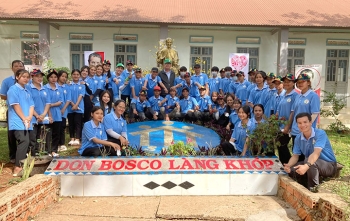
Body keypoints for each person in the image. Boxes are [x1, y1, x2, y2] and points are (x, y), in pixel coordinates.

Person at [283, 112, 337, 190]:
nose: (302, 125)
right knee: (292, 170)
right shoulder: (298, 138)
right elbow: (295, 156)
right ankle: (302, 186)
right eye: (299, 123)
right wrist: (288, 166)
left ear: (310, 122)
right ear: (297, 124)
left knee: (310, 163)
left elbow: (316, 153)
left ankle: (313, 188)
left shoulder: (320, 134)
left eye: (305, 122)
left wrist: (306, 166)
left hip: (329, 165)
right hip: (310, 162)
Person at [7, 69, 34, 176]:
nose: (26, 79)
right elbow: (15, 105)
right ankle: (17, 167)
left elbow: (32, 105)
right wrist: (24, 118)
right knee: (23, 141)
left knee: (27, 142)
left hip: (27, 120)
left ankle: (23, 164)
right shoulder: (13, 89)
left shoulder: (27, 90)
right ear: (17, 77)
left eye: (28, 77)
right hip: (18, 121)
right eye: (23, 77)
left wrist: (29, 117)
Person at [290, 73, 320, 162]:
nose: (300, 84)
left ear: (308, 82)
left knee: (306, 154)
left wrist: (306, 127)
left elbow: (314, 114)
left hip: (306, 131)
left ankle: (306, 173)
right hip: (296, 130)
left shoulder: (313, 96)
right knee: (296, 152)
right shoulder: (298, 96)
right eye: (298, 82)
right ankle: (297, 173)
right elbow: (294, 112)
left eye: (302, 82)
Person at [0, 60, 24, 163]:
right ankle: (13, 156)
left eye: (20, 66)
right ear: (12, 68)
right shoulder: (7, 81)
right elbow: (2, 95)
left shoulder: (28, 81)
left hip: (25, 111)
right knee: (12, 134)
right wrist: (13, 97)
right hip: (12, 111)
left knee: (25, 133)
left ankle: (25, 153)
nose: (18, 67)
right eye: (16, 66)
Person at [276, 74, 298, 165]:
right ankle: (284, 164)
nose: (286, 83)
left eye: (289, 81)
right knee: (280, 145)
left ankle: (288, 165)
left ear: (293, 83)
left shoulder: (295, 95)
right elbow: (278, 109)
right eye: (285, 81)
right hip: (280, 125)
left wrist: (287, 126)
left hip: (289, 126)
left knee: (283, 145)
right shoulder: (284, 94)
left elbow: (293, 112)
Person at [28, 69, 51, 156]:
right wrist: (37, 115)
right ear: (32, 77)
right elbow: (28, 103)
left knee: (42, 137)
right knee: (32, 138)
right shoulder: (28, 88)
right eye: (37, 76)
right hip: (33, 118)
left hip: (43, 118)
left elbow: (48, 103)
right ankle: (32, 156)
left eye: (41, 76)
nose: (39, 78)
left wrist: (44, 114)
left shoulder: (45, 89)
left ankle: (41, 154)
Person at [45, 69, 63, 157]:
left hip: (57, 113)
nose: (53, 79)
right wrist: (49, 114)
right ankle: (48, 151)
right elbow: (45, 102)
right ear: (48, 78)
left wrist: (50, 104)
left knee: (57, 133)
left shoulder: (59, 88)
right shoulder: (45, 88)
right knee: (47, 133)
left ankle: (54, 150)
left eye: (55, 77)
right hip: (48, 113)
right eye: (51, 77)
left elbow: (61, 101)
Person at [67, 69, 85, 146]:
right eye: (74, 74)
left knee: (78, 123)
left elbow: (81, 95)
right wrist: (72, 104)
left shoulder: (82, 85)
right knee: (71, 123)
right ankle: (72, 138)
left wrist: (76, 105)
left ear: (80, 75)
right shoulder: (68, 85)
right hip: (70, 107)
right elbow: (68, 96)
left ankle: (77, 138)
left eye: (77, 74)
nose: (76, 76)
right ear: (71, 75)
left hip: (79, 107)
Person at [57, 70, 71, 152]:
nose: (64, 78)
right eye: (62, 76)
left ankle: (62, 144)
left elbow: (68, 100)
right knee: (56, 128)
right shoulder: (54, 86)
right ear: (59, 76)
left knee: (62, 127)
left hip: (63, 111)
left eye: (65, 77)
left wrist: (63, 109)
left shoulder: (67, 87)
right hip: (54, 111)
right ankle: (56, 144)